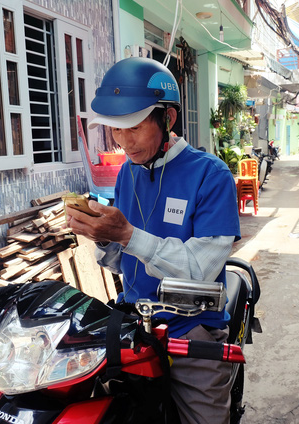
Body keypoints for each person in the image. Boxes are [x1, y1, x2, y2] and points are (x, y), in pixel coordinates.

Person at [66, 57, 240, 424]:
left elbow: (199, 270)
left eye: (134, 128)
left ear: (168, 119)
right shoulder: (126, 175)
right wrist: (102, 237)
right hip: (136, 327)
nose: (124, 142)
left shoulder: (211, 175)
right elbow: (122, 262)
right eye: (116, 130)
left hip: (191, 330)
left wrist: (126, 234)